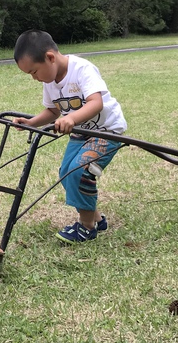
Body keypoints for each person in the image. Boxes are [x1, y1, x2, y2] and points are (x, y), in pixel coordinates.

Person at [13, 30, 127, 243]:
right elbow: (53, 112)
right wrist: (30, 123)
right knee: (66, 172)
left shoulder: (82, 69)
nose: (34, 78)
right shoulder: (49, 82)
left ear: (50, 57)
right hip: (80, 134)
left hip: (106, 131)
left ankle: (86, 227)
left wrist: (72, 119)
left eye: (34, 72)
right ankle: (98, 219)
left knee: (79, 172)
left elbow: (96, 102)